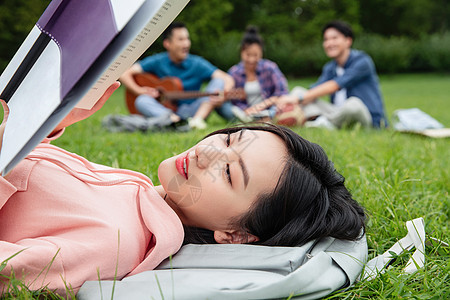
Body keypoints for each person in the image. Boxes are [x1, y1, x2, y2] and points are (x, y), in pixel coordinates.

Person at [0, 83, 365, 296]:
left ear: (235, 235)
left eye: (228, 172)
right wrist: (42, 126)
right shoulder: (141, 196)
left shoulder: (116, 241)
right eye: (229, 138)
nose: (208, 150)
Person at [273, 21, 388, 129]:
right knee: (299, 91)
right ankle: (323, 122)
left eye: (334, 38)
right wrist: (287, 101)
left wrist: (299, 99)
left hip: (366, 118)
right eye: (326, 39)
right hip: (337, 113)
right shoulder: (330, 67)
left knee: (353, 104)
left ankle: (323, 122)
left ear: (348, 41)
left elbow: (334, 85)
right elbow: (314, 91)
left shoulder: (362, 61)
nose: (329, 43)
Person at [120, 22, 235, 130]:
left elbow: (227, 78)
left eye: (187, 39)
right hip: (166, 110)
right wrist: (138, 90)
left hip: (194, 109)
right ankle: (177, 121)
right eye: (180, 39)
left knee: (219, 81)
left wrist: (224, 95)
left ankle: (196, 121)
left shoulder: (197, 63)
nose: (186, 44)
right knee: (141, 101)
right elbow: (125, 73)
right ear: (167, 44)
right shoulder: (158, 61)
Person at [226, 25, 289, 123]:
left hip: (269, 109)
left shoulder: (270, 67)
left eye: (255, 55)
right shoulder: (234, 72)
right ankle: (254, 120)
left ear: (261, 53)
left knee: (281, 106)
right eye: (248, 55)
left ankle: (263, 119)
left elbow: (282, 93)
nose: (251, 59)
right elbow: (234, 101)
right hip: (245, 112)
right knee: (227, 109)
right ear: (241, 52)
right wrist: (246, 110)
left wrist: (260, 106)